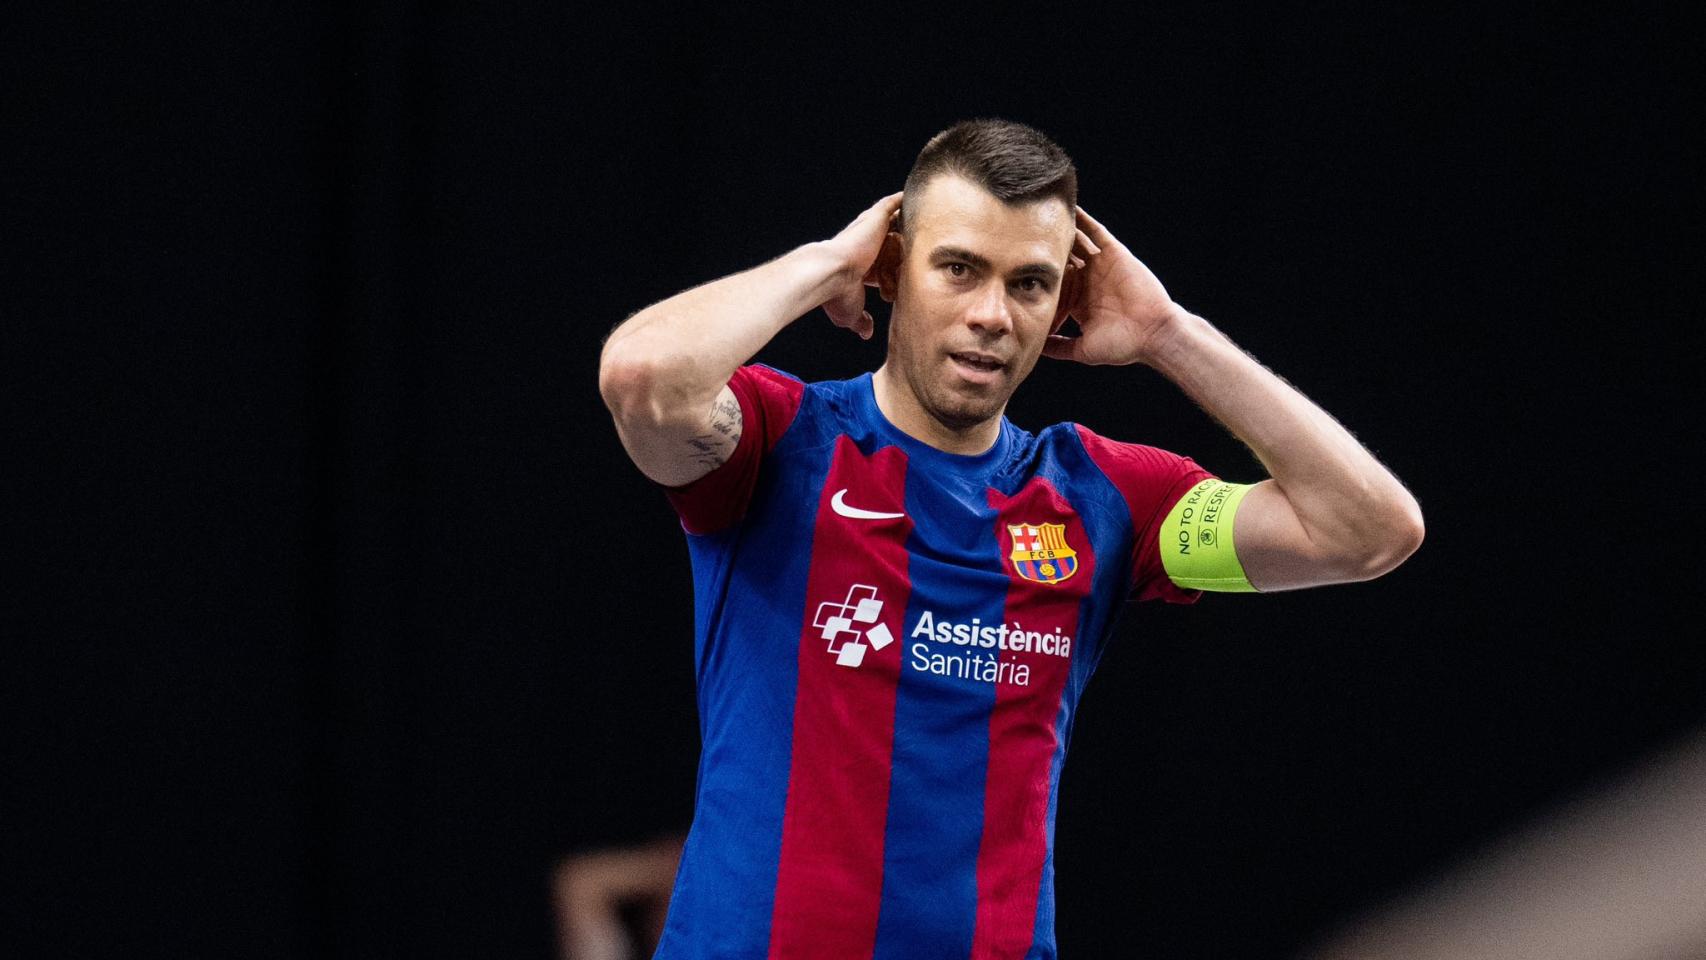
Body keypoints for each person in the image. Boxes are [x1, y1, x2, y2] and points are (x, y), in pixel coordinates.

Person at [597, 119, 1423, 959]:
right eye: (958, 269)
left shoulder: (1105, 499)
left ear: (1062, 299)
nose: (992, 315)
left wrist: (1169, 333)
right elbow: (642, 377)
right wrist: (826, 265)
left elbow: (1365, 531)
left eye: (1029, 283)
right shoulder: (778, 440)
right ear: (893, 268)